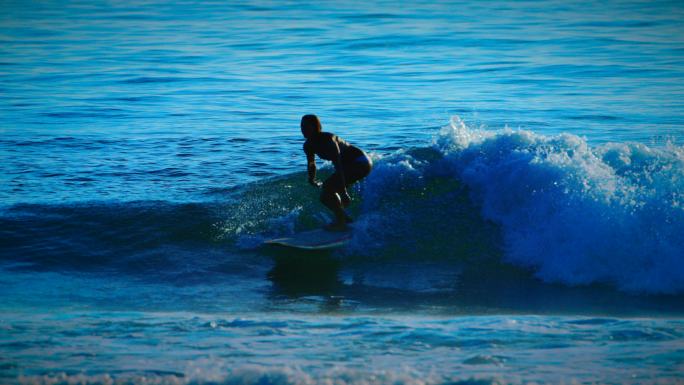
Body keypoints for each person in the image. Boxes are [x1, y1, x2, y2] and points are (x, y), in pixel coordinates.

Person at [300, 114, 372, 231]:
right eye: (301, 126)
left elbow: (338, 165)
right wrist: (311, 179)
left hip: (360, 162)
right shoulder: (308, 145)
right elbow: (311, 163)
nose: (302, 129)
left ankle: (341, 221)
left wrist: (343, 192)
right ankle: (344, 219)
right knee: (324, 197)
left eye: (306, 126)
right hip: (349, 166)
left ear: (314, 127)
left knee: (329, 187)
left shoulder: (328, 140)